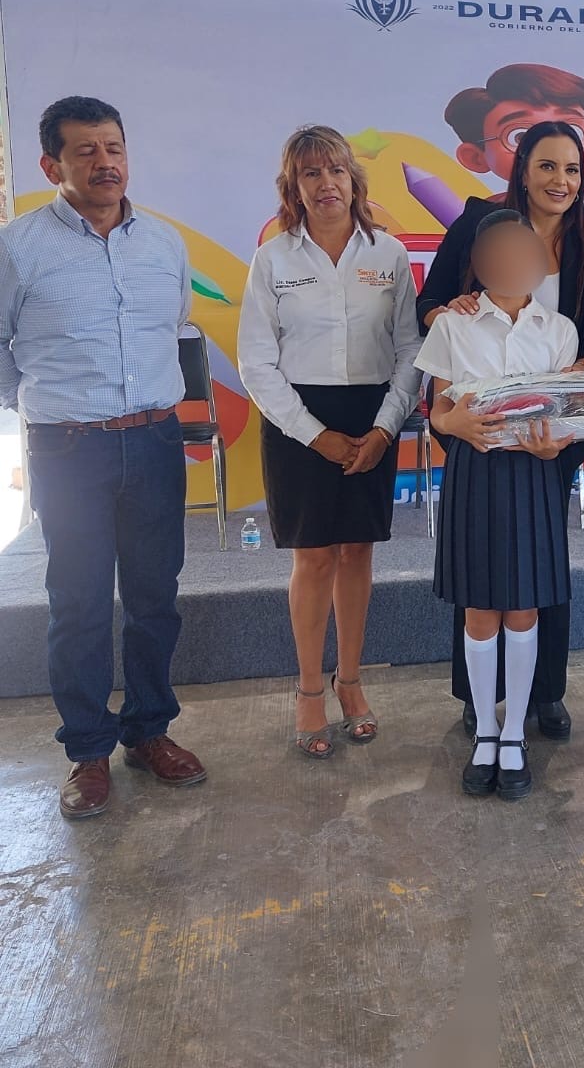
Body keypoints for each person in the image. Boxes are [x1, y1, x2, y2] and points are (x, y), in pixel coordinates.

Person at [0, 96, 207, 818]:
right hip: (68, 448)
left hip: (154, 439)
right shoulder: (17, 246)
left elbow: (172, 321)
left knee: (154, 596)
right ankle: (87, 750)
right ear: (50, 165)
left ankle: (149, 731)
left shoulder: (164, 243)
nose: (105, 162)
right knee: (79, 601)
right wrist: (44, 404)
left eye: (113, 148)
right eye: (85, 151)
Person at [416, 120, 584, 741]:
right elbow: (430, 303)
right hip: (478, 426)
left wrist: (581, 371)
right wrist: (450, 311)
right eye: (547, 165)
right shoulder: (479, 222)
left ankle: (543, 692)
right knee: (480, 569)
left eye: (572, 169)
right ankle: (479, 700)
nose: (560, 180)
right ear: (522, 168)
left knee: (540, 564)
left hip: (552, 428)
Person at [238, 125, 422, 758]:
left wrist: (385, 427)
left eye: (336, 170)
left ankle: (351, 681)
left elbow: (410, 350)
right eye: (311, 173)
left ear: (353, 179)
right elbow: (257, 363)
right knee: (314, 557)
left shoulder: (388, 254)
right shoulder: (273, 259)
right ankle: (310, 690)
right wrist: (315, 436)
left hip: (371, 417)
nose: (326, 184)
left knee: (357, 553)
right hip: (298, 422)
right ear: (293, 187)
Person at [416, 209, 579, 801]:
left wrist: (556, 443)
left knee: (524, 609)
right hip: (474, 472)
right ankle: (485, 730)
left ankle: (514, 735)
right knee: (480, 610)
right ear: (480, 263)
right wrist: (452, 423)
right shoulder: (452, 324)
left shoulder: (559, 330)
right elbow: (438, 409)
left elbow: (565, 414)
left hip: (533, 474)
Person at [442, 62, 584, 222]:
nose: (551, 145)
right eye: (520, 136)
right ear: (476, 157)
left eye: (572, 130)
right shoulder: (489, 216)